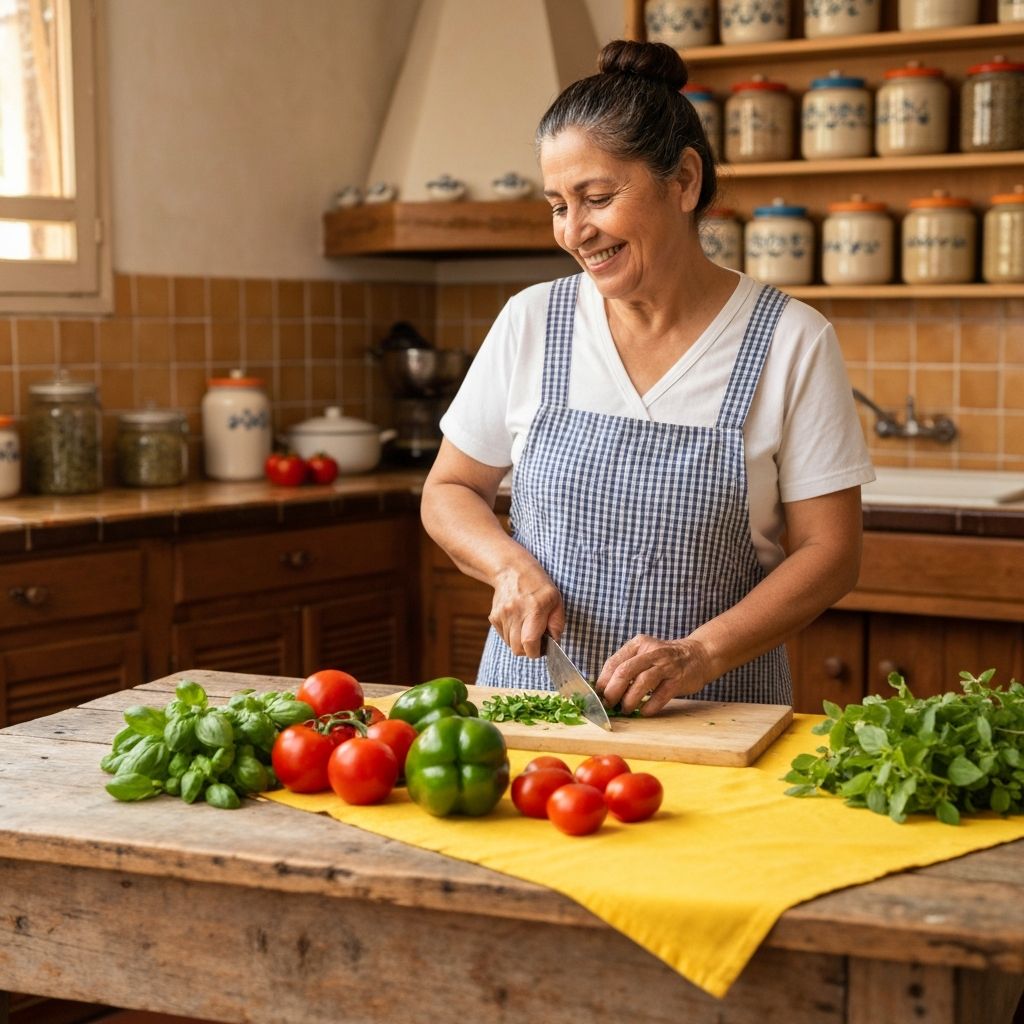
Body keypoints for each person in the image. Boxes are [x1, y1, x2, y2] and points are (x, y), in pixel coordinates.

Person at [420, 39, 874, 716]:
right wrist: (506, 567)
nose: (576, 231)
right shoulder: (532, 321)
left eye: (597, 197)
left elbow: (830, 552)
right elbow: (450, 488)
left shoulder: (790, 340)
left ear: (684, 181)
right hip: (532, 710)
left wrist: (701, 654)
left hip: (716, 715)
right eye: (557, 205)